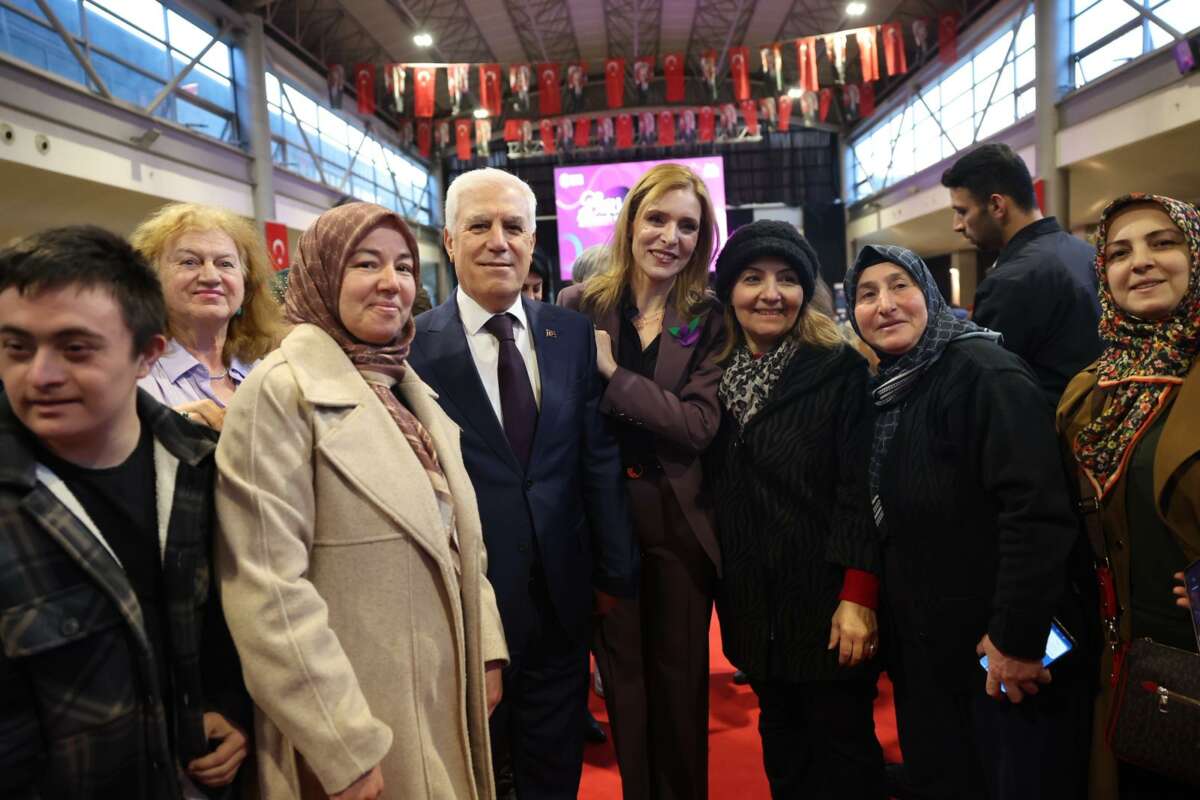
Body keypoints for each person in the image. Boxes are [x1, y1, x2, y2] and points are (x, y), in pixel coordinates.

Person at [214, 202, 508, 800]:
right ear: (322, 273)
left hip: (438, 693)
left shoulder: (405, 389)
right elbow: (267, 590)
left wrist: (488, 648)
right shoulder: (281, 390)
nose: (391, 282)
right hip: (355, 713)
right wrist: (341, 743)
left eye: (404, 267)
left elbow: (458, 540)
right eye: (366, 263)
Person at [408, 167, 637, 800]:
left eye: (513, 226)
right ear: (449, 240)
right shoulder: (412, 349)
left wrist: (614, 573)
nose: (498, 241)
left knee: (554, 770)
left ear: (533, 240)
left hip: (563, 599)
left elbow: (595, 460)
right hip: (468, 606)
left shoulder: (570, 337)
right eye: (479, 226)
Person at [0, 226, 249, 798]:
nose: (40, 375)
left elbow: (225, 620)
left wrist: (232, 707)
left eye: (76, 348)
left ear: (147, 355)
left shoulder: (199, 469)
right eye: (17, 348)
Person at [844, 244, 1094, 800]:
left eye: (900, 286)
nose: (884, 304)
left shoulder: (984, 372)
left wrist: (1016, 638)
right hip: (932, 654)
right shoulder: (891, 387)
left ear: (931, 296)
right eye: (867, 294)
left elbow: (1037, 513)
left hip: (997, 657)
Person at [558, 163, 725, 800]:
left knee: (681, 686)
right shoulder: (579, 306)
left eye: (687, 226)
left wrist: (614, 377)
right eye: (657, 219)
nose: (670, 237)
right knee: (624, 688)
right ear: (630, 223)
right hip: (604, 522)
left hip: (680, 523)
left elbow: (698, 425)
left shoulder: (707, 317)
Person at [706, 221, 884, 799]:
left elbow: (860, 489)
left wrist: (859, 595)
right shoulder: (710, 373)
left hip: (828, 603)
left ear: (805, 291)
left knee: (844, 751)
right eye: (752, 279)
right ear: (729, 292)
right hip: (751, 606)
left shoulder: (838, 369)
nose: (770, 294)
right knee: (782, 746)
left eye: (786, 279)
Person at [1056, 193, 1200, 800]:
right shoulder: (1088, 393)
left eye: (1163, 243)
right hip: (1130, 668)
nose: (1139, 261)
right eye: (1119, 253)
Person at [941, 143, 1101, 405]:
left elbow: (988, 391)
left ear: (997, 205)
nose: (957, 225)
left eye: (962, 211)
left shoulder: (1008, 281)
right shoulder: (1089, 254)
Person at [130, 202, 282, 430]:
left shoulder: (270, 375)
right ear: (150, 279)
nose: (211, 277)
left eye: (225, 264)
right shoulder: (131, 377)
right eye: (189, 262)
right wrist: (170, 427)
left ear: (246, 284)